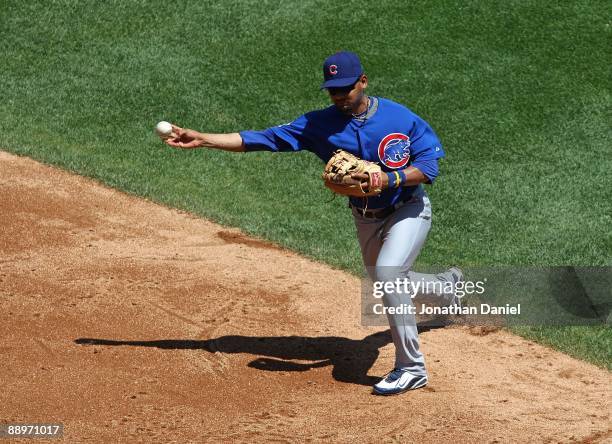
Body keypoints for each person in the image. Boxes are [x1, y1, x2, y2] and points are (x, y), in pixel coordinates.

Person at [164, 51, 462, 396]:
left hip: (407, 209)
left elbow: (429, 167)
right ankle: (447, 289)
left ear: (362, 82)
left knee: (388, 274)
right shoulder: (318, 124)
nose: (339, 97)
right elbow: (261, 139)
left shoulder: (400, 118)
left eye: (345, 89)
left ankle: (411, 368)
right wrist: (205, 139)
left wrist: (389, 179)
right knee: (391, 277)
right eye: (333, 91)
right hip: (364, 217)